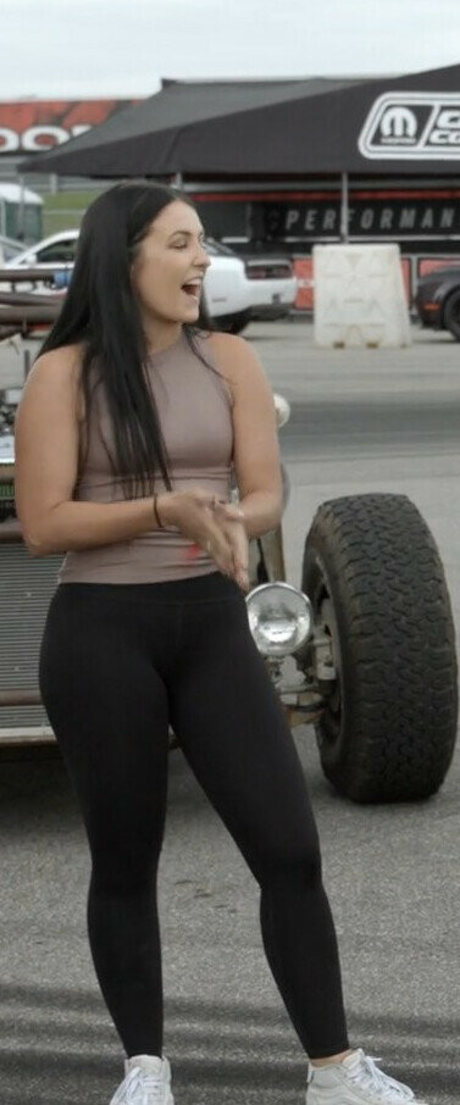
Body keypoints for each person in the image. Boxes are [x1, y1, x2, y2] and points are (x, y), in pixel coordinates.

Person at [14, 181, 427, 1105]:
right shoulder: (64, 373)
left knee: (289, 847)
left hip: (209, 624)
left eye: (202, 242)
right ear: (124, 258)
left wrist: (236, 517)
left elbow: (267, 488)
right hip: (100, 633)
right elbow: (44, 521)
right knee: (126, 860)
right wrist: (167, 508)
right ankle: (145, 1069)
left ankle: (334, 1069)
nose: (203, 259)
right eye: (181, 243)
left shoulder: (229, 358)